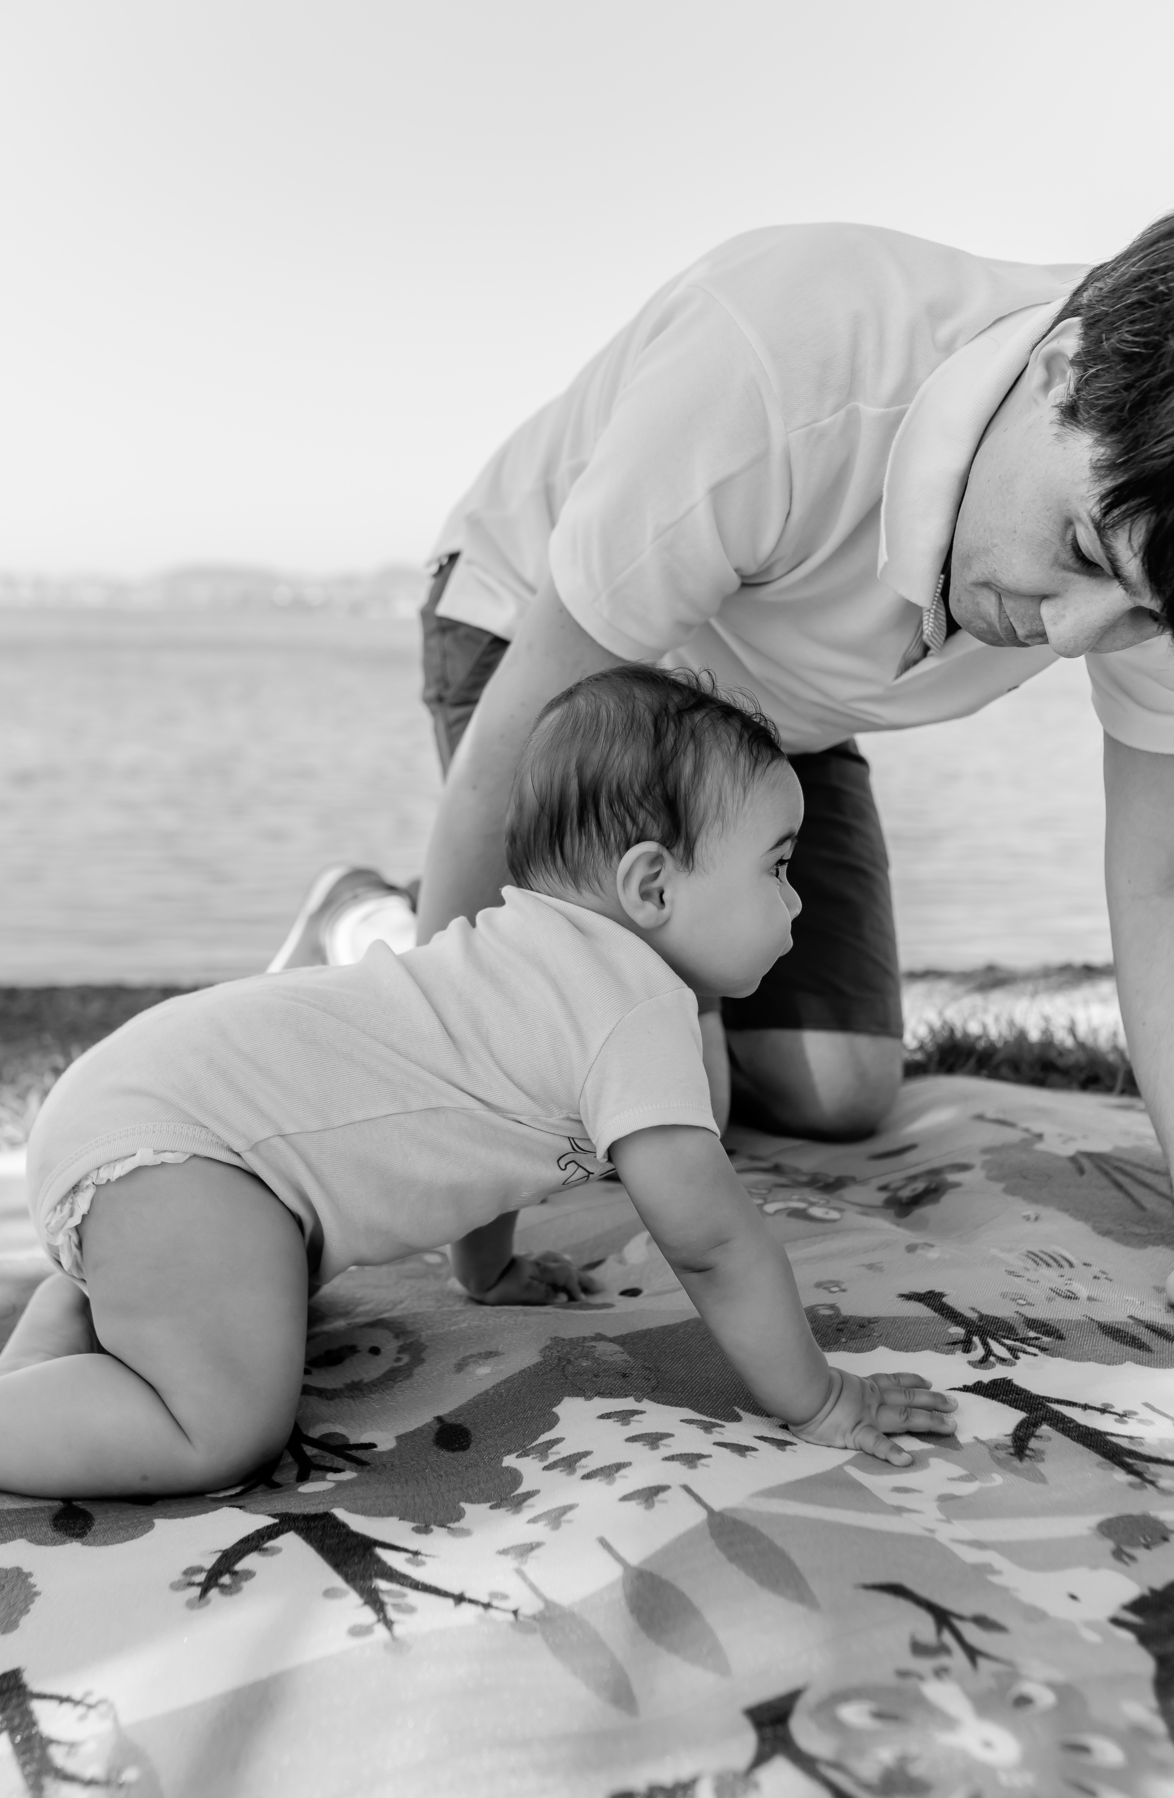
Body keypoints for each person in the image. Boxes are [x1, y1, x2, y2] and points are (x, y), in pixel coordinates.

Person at [275, 214, 1174, 1171]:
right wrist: (439, 1092)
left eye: (1144, 617)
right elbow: (512, 753)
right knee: (656, 1103)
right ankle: (369, 923)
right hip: (546, 644)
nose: (1074, 638)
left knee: (840, 1092)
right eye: (1084, 552)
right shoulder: (779, 359)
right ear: (1057, 373)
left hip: (768, 717)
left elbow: (1159, 887)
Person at [0, 669, 957, 1500]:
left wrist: (486, 1273)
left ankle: (70, 1326)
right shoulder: (637, 1004)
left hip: (149, 1113)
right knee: (222, 1428)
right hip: (181, 1152)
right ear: (653, 885)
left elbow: (487, 1128)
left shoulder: (535, 959)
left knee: (260, 1305)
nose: (798, 901)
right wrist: (821, 1400)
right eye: (778, 867)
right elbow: (714, 1245)